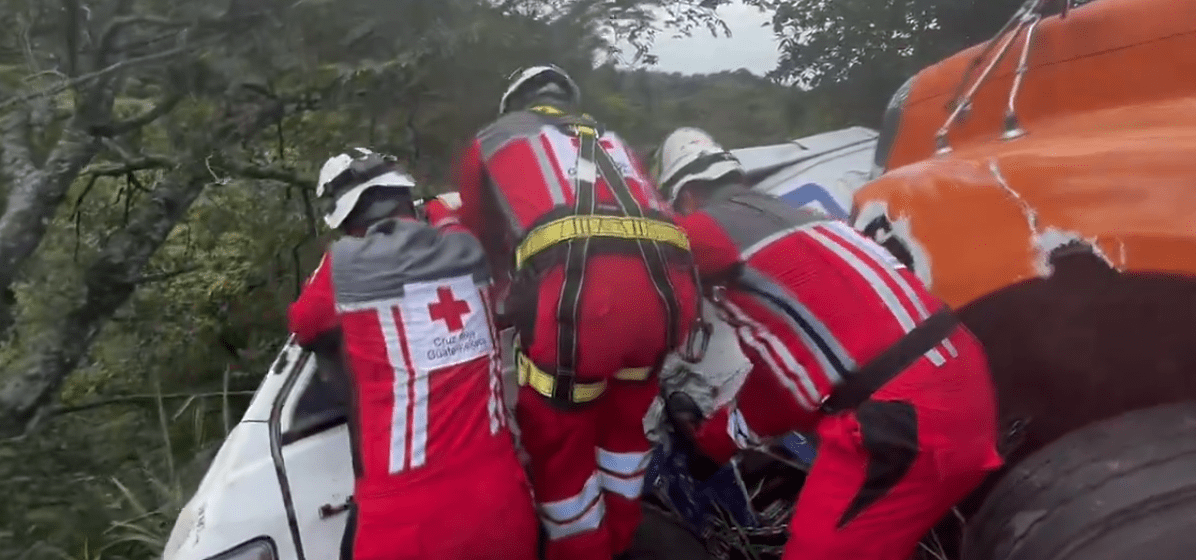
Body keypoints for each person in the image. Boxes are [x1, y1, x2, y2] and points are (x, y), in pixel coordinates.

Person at [654, 127, 1005, 560]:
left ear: (686, 197)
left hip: (903, 421)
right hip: (959, 383)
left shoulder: (705, 229)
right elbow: (782, 374)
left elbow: (631, 271)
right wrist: (716, 441)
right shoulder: (805, 219)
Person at [450, 65, 702, 560]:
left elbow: (479, 236)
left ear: (515, 105)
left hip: (583, 309)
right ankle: (624, 537)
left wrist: (508, 295)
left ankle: (584, 552)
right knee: (625, 429)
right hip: (667, 301)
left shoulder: (494, 139)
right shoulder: (613, 139)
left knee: (560, 446)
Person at [287, 147, 538, 560]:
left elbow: (303, 323)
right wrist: (438, 209)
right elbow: (445, 216)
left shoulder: (343, 267)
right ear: (407, 198)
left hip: (407, 526)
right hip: (503, 503)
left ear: (346, 220)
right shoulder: (466, 247)